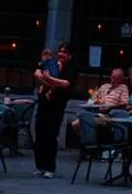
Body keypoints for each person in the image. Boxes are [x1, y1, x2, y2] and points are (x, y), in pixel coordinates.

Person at [33, 42, 77, 178]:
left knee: (50, 135)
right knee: (39, 133)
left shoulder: (71, 69)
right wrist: (45, 79)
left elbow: (65, 84)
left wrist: (49, 78)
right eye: (60, 51)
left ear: (70, 56)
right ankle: (39, 166)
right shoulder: (52, 64)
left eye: (64, 52)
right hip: (44, 102)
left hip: (57, 105)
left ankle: (49, 168)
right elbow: (38, 73)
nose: (61, 54)